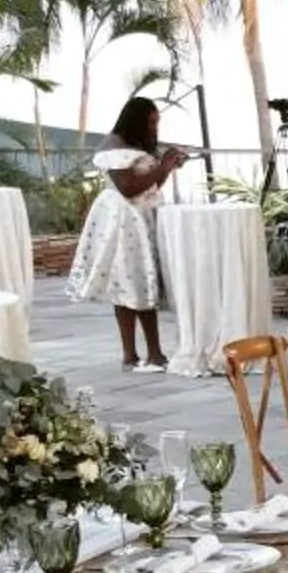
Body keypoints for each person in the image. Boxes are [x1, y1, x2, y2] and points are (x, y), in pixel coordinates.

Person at [65, 96, 191, 371]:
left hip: (143, 216)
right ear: (136, 120)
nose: (154, 128)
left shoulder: (139, 144)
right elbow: (128, 188)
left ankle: (152, 353)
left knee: (144, 281)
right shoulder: (114, 145)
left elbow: (153, 185)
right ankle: (133, 354)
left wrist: (167, 166)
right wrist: (164, 165)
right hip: (124, 220)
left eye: (156, 123)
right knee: (129, 282)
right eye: (150, 122)